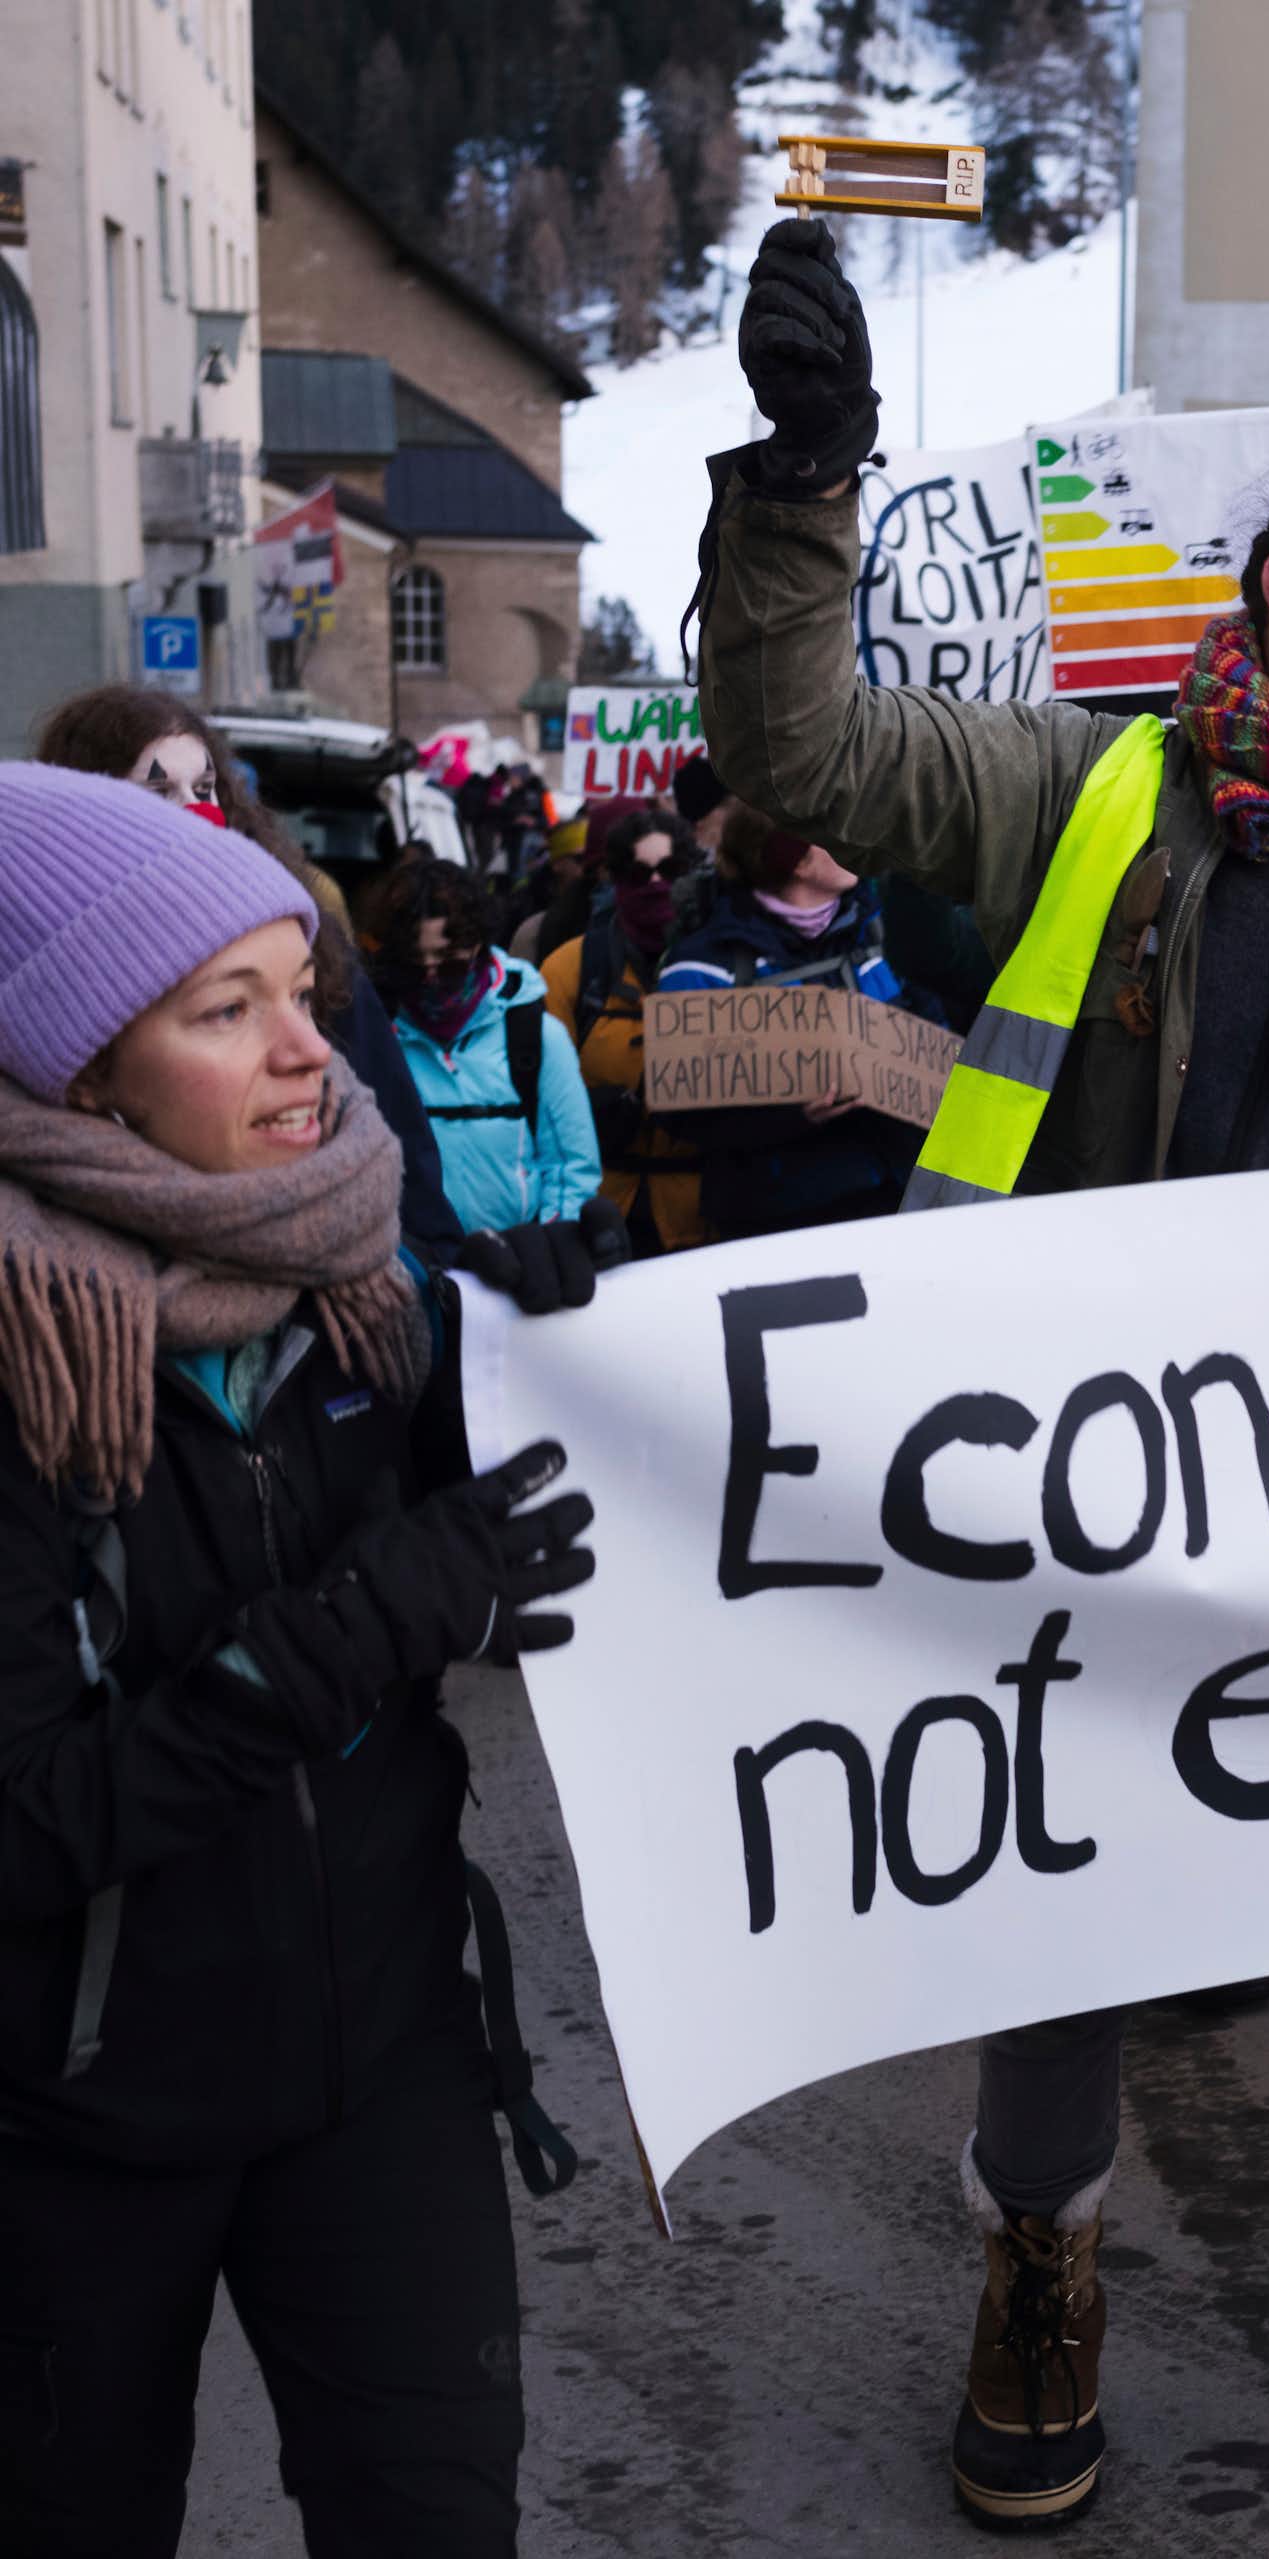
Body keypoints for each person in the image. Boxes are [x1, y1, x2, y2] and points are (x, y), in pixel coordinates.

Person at [697, 214, 1269, 2555]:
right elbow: (792, 742)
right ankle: (1040, 2263)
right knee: (1063, 1959)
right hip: (1094, 1553)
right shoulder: (1083, 802)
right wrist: (806, 477)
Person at [0, 763, 600, 2556]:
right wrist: (370, 1620)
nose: (308, 1056)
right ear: (82, 1060)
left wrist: (563, 1362)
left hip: (388, 2062)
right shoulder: (29, 1347)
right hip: (82, 2118)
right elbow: (32, 1821)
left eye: (302, 993)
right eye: (226, 1009)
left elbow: (509, 1560)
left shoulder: (362, 1267)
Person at [31, 684, 462, 1266]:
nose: (194, 811)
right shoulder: (43, 984)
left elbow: (397, 1137)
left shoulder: (301, 943)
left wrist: (435, 1279)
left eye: (204, 789)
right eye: (159, 791)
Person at [655, 804, 937, 1237]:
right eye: (837, 837)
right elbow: (681, 1112)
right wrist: (793, 1113)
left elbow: (936, 1032)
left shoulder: (883, 932)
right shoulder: (703, 965)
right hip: (778, 1222)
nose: (855, 846)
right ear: (798, 859)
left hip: (899, 1196)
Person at [371, 858, 601, 1238]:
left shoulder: (534, 1035)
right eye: (414, 967)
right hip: (414, 1266)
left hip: (520, 1264)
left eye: (448, 967)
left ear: (477, 947)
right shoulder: (379, 1036)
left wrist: (552, 1243)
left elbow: (571, 1165)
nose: (430, 981)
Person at [540, 805, 709, 1256]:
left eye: (670, 870)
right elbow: (540, 1098)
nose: (655, 884)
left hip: (705, 1220)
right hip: (600, 1217)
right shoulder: (570, 970)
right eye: (638, 874)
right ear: (615, 882)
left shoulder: (723, 962)